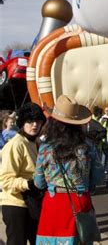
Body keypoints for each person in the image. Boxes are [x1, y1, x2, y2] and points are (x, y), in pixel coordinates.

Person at [34, 95, 103, 244]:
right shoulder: (88, 145)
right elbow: (99, 177)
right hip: (80, 200)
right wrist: (85, 184)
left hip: (54, 203)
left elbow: (38, 182)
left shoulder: (46, 147)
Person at [0, 103, 46, 245]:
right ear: (22, 123)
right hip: (15, 204)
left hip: (33, 203)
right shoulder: (15, 144)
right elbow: (5, 180)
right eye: (30, 121)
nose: (34, 125)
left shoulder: (35, 142)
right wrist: (29, 184)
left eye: (38, 121)